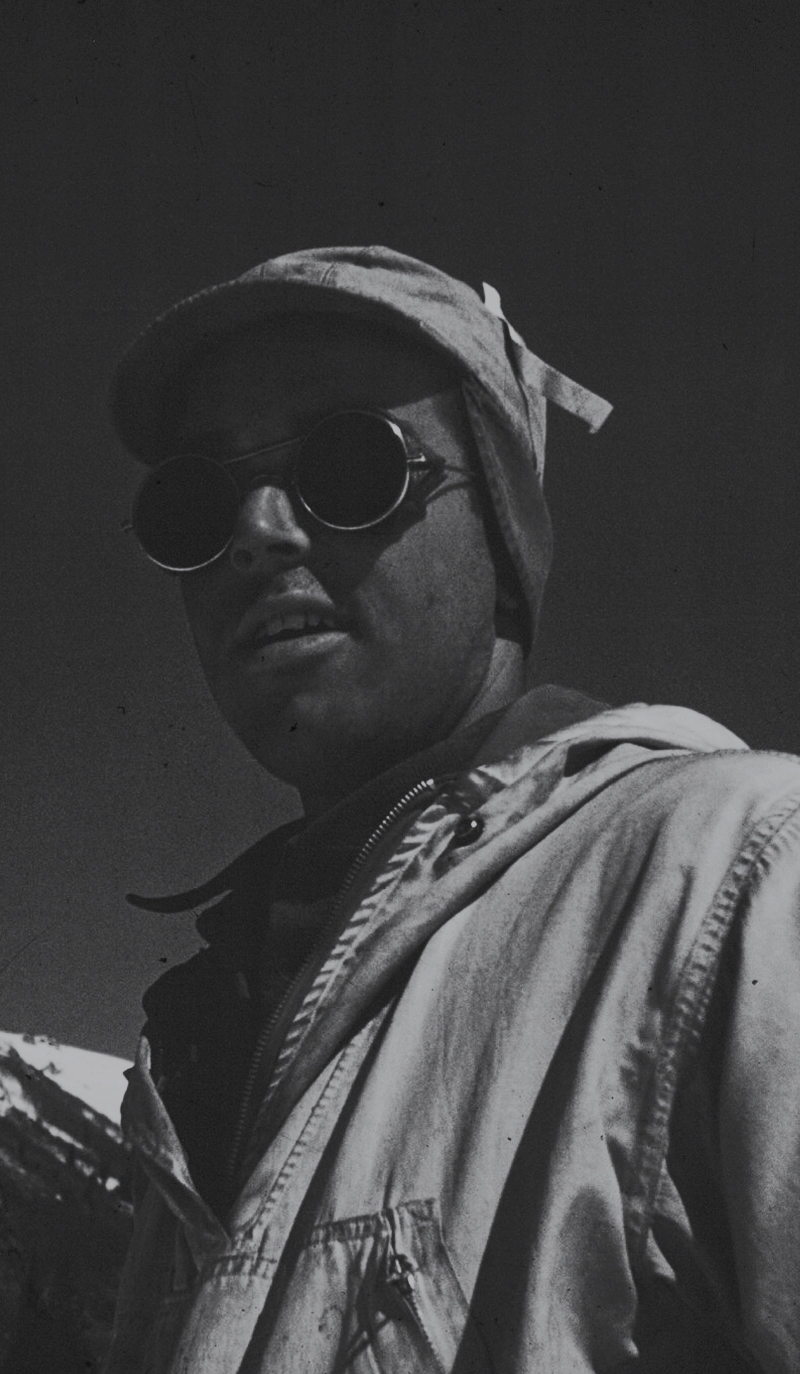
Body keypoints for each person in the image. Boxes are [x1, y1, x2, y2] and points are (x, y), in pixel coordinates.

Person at [105, 247, 799, 1373]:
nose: (257, 532)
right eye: (195, 500)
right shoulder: (207, 1050)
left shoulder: (740, 877)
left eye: (346, 464)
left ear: (505, 534)